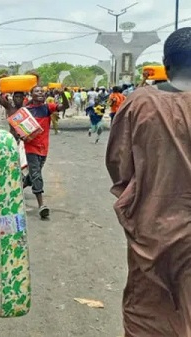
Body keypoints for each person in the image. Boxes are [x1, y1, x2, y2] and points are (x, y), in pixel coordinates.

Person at [106, 27, 191, 337]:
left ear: (166, 65)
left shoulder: (140, 102)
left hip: (153, 230)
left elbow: (118, 163)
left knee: (148, 314)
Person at [23, 86, 68, 219]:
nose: (40, 93)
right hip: (30, 147)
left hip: (44, 148)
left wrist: (63, 94)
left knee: (33, 175)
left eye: (42, 91)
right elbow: (19, 128)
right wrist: (22, 136)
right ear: (31, 94)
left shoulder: (48, 108)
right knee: (36, 174)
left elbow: (65, 106)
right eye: (37, 91)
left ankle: (18, 188)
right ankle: (41, 205)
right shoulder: (26, 111)